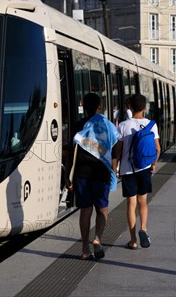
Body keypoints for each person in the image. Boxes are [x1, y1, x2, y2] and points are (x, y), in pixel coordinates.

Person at [65, 93, 121, 260]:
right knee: (102, 208)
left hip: (81, 174)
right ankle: (97, 238)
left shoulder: (78, 126)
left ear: (84, 108)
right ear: (99, 107)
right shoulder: (108, 126)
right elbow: (115, 152)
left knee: (86, 210)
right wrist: (113, 171)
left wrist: (67, 177)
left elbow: (70, 153)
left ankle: (84, 249)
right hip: (101, 173)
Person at [117, 94, 161, 250]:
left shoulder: (123, 126)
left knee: (131, 204)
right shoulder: (151, 125)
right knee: (143, 201)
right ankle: (143, 229)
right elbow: (157, 149)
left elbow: (118, 151)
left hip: (128, 170)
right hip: (144, 169)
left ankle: (133, 240)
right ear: (144, 108)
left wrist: (115, 167)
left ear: (130, 107)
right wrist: (153, 164)